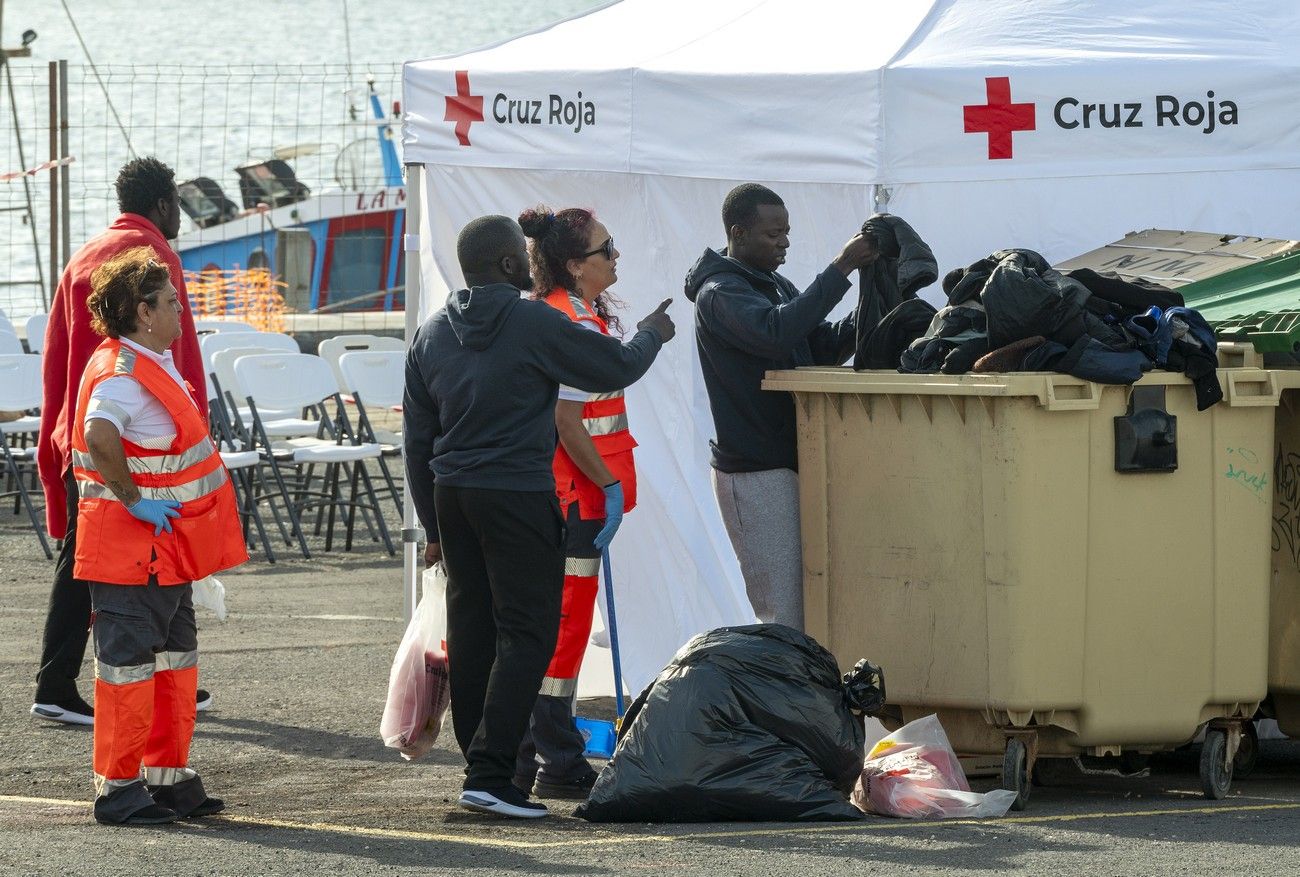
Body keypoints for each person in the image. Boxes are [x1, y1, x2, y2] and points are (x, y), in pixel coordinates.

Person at [404, 214, 675, 819]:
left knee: (474, 632)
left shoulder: (432, 333)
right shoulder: (535, 322)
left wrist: (432, 527)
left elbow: (417, 441)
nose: (531, 263)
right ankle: (494, 776)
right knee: (529, 633)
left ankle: (482, 770)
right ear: (507, 265)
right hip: (518, 494)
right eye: (519, 257)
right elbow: (614, 368)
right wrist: (653, 333)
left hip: (454, 495)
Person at [34, 157, 211, 726]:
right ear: (163, 204)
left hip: (82, 428)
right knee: (125, 566)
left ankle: (81, 681)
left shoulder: (84, 255)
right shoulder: (154, 259)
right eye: (178, 204)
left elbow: (55, 359)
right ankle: (59, 685)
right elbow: (175, 360)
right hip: (139, 443)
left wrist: (58, 435)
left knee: (90, 562)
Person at [73, 246, 247, 824]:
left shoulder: (145, 360)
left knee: (175, 663)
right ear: (144, 313)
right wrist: (135, 501)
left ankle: (165, 778)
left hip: (163, 551)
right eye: (173, 302)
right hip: (133, 551)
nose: (182, 312)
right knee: (128, 668)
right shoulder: (124, 372)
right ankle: (119, 789)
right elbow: (100, 435)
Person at [684, 183, 878, 631]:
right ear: (738, 232)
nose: (784, 242)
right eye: (774, 234)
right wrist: (842, 267)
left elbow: (818, 348)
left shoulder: (774, 284)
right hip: (756, 473)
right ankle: (779, 700)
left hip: (796, 460)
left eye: (787, 233)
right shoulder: (720, 293)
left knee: (818, 608)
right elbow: (773, 332)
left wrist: (874, 310)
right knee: (784, 614)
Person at [512, 206, 638, 800]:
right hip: (575, 498)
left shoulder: (572, 313)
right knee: (561, 630)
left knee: (561, 625)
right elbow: (568, 421)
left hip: (576, 495)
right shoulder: (568, 321)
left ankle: (543, 755)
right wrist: (608, 488)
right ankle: (555, 758)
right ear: (573, 265)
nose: (616, 258)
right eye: (606, 249)